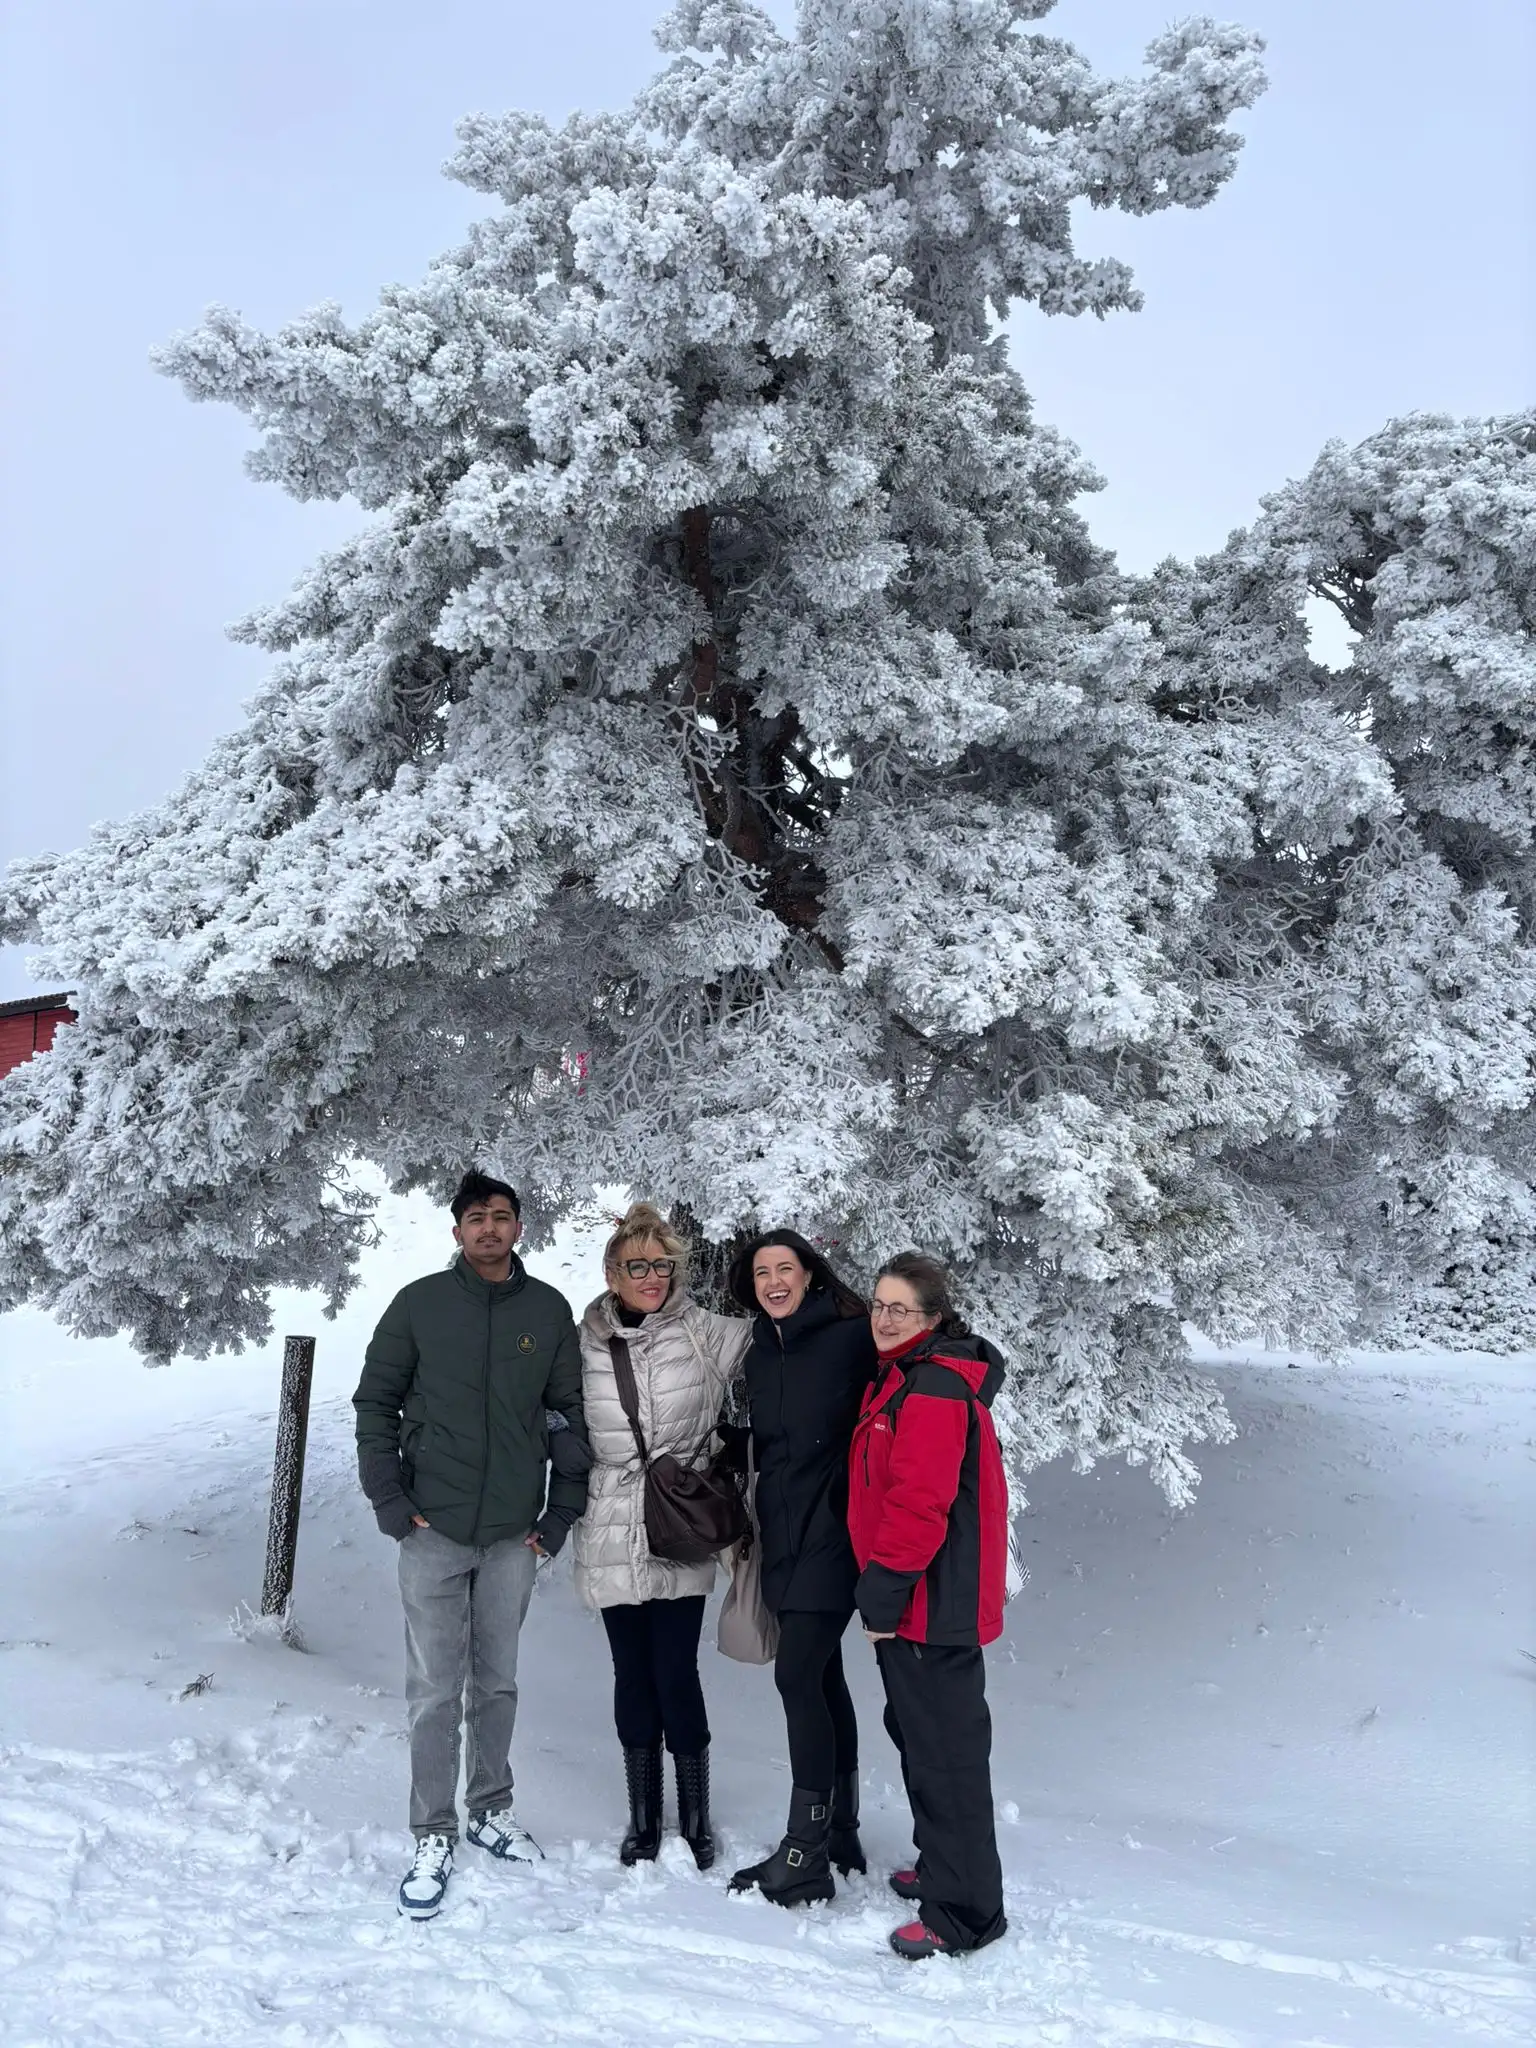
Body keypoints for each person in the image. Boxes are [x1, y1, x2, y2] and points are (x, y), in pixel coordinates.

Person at [353, 1169, 590, 1921]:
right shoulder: (419, 1305)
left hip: (513, 1535)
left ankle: (491, 1809)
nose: (490, 1228)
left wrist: (560, 1515)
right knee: (434, 1689)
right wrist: (391, 1502)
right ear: (457, 1231)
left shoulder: (546, 1310)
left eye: (502, 1216)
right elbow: (375, 1405)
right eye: (476, 1218)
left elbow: (568, 1414)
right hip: (433, 1530)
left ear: (519, 1227)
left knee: (497, 1683)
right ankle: (433, 1831)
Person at [574, 1202, 751, 1870]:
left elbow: (785, 1334)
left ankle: (696, 1814)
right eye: (637, 1266)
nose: (651, 1277)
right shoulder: (583, 1342)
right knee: (632, 1671)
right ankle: (644, 1816)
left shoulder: (704, 1333)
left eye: (662, 1265)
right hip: (609, 1524)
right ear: (612, 1273)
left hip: (679, 1521)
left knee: (676, 1669)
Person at [848, 1251, 1010, 1961]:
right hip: (918, 1601)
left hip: (931, 1604)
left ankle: (966, 1913)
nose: (884, 1320)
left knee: (947, 1756)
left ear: (933, 1318)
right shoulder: (907, 1376)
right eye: (879, 1305)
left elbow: (920, 1504)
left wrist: (882, 1593)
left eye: (901, 1310)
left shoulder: (935, 1388)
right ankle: (943, 1867)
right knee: (921, 1739)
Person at [724, 1231, 878, 1907]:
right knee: (822, 1677)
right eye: (763, 1272)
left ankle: (804, 1852)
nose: (774, 1281)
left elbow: (919, 1362)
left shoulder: (852, 1335)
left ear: (811, 1274)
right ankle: (840, 1833)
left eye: (785, 1268)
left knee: (795, 1676)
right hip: (782, 1535)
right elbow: (782, 1440)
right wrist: (734, 1448)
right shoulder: (763, 1348)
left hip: (835, 1533)